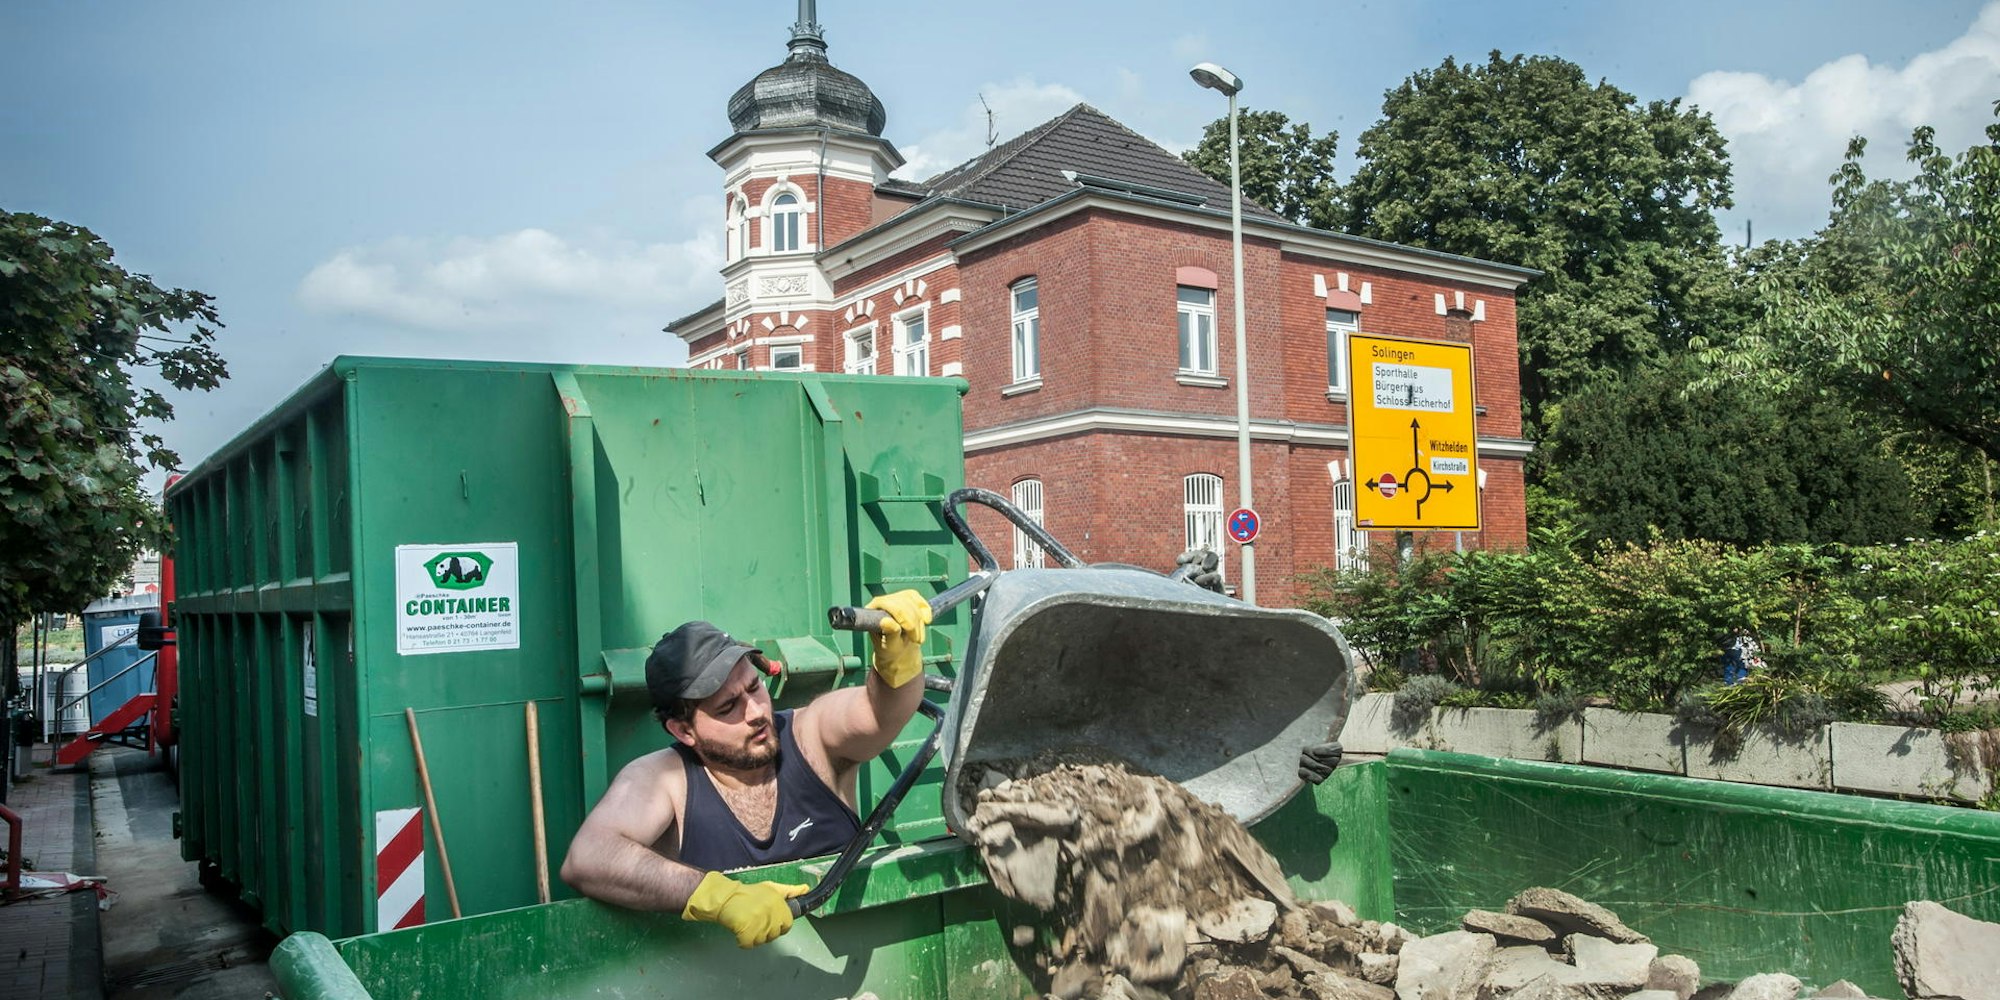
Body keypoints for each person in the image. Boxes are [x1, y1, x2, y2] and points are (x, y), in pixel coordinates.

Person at [559, 590, 932, 948]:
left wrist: (897, 660)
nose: (756, 713)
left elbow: (878, 713)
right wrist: (718, 897)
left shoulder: (811, 735)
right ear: (683, 730)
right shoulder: (665, 780)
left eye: (755, 687)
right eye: (728, 708)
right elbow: (588, 857)